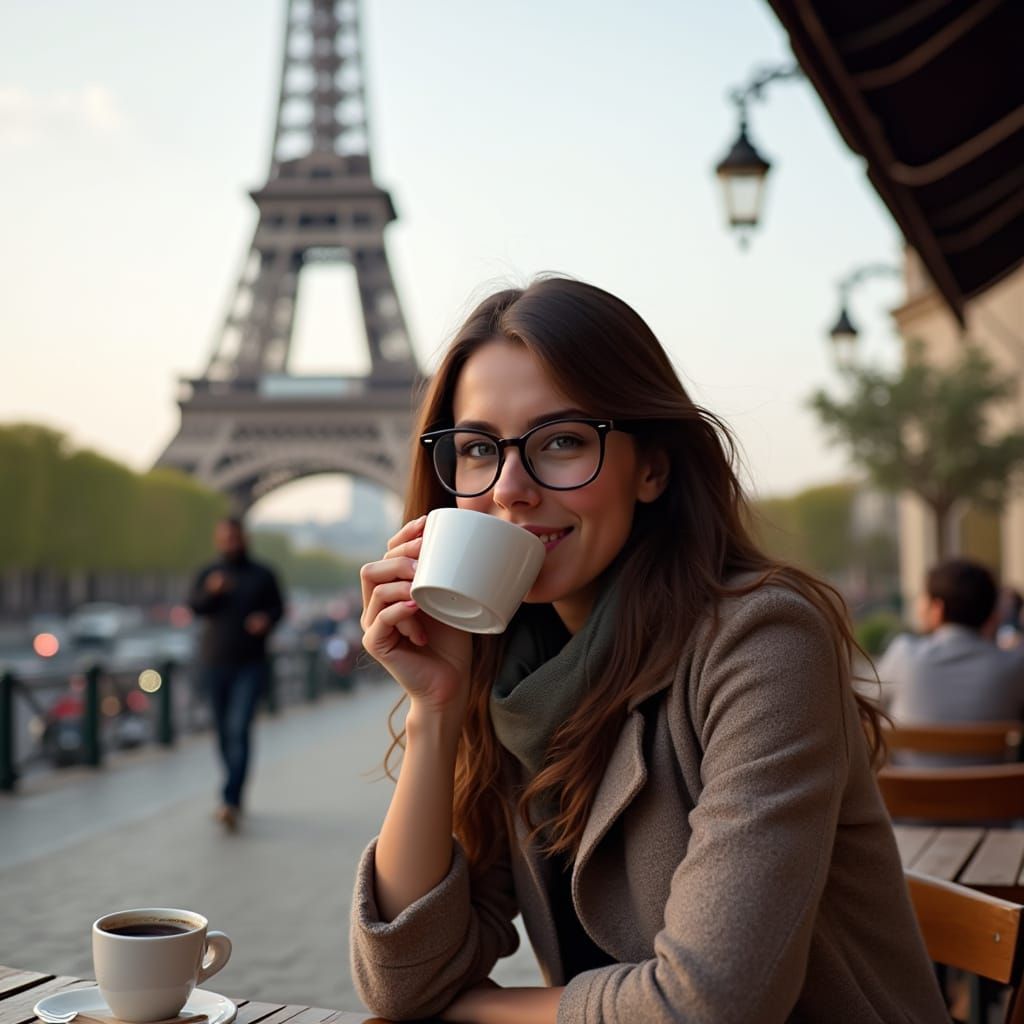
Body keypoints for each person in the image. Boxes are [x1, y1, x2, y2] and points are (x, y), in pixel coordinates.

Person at [351, 278, 947, 1023]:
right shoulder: (510, 670)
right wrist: (433, 712)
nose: (509, 489)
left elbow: (709, 1006)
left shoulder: (763, 642)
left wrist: (473, 1007)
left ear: (654, 469)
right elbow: (402, 984)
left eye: (562, 442)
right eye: (476, 449)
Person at [188, 516, 284, 831]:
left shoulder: (263, 574)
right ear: (219, 540)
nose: (230, 542)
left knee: (239, 728)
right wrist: (212, 592)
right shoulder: (208, 574)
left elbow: (279, 609)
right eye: (225, 537)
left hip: (251, 664)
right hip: (215, 662)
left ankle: (231, 799)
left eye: (235, 537)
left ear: (244, 538)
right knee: (223, 733)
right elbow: (195, 607)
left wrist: (266, 620)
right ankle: (232, 793)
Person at [877, 559, 1024, 726]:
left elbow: (863, 707)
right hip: (986, 754)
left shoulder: (904, 654)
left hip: (910, 753)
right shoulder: (1014, 667)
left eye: (923, 597)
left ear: (938, 609)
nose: (918, 605)